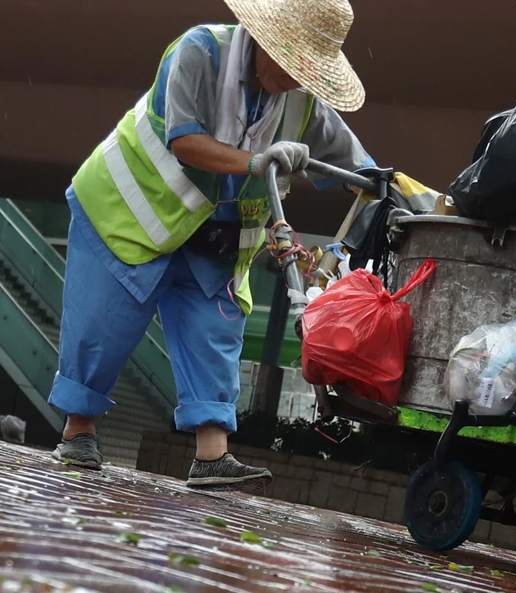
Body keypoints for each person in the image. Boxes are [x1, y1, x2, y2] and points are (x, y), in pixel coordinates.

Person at [47, 0, 375, 491]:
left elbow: (362, 168)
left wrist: (394, 191)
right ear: (266, 41)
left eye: (309, 68)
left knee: (214, 328)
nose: (297, 77)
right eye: (293, 61)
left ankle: (212, 455)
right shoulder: (199, 51)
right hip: (127, 212)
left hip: (212, 235)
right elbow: (185, 141)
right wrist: (256, 161)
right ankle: (79, 431)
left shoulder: (303, 101)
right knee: (103, 321)